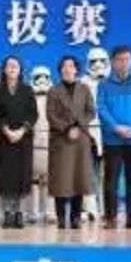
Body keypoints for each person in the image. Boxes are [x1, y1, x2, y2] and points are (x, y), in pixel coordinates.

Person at [97, 44, 131, 230]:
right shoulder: (104, 84)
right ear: (112, 62)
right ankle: (110, 218)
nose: (123, 63)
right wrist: (115, 127)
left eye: (127, 59)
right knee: (110, 180)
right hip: (112, 140)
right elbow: (101, 108)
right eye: (119, 60)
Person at [47, 55, 97, 229]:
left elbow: (91, 112)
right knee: (61, 180)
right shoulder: (54, 90)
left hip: (80, 140)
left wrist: (77, 126)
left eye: (70, 66)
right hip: (61, 140)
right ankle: (61, 217)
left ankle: (75, 217)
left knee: (78, 179)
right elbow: (51, 115)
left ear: (76, 69)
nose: (67, 69)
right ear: (60, 70)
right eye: (64, 66)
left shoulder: (84, 89)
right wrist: (67, 128)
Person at [0, 55, 37, 229]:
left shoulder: (27, 90)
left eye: (15, 66)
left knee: (21, 177)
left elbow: (33, 114)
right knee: (5, 177)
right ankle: (7, 213)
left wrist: (22, 131)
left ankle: (19, 213)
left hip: (23, 139)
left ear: (20, 69)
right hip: (4, 139)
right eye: (9, 66)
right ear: (4, 69)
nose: (12, 69)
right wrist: (6, 130)